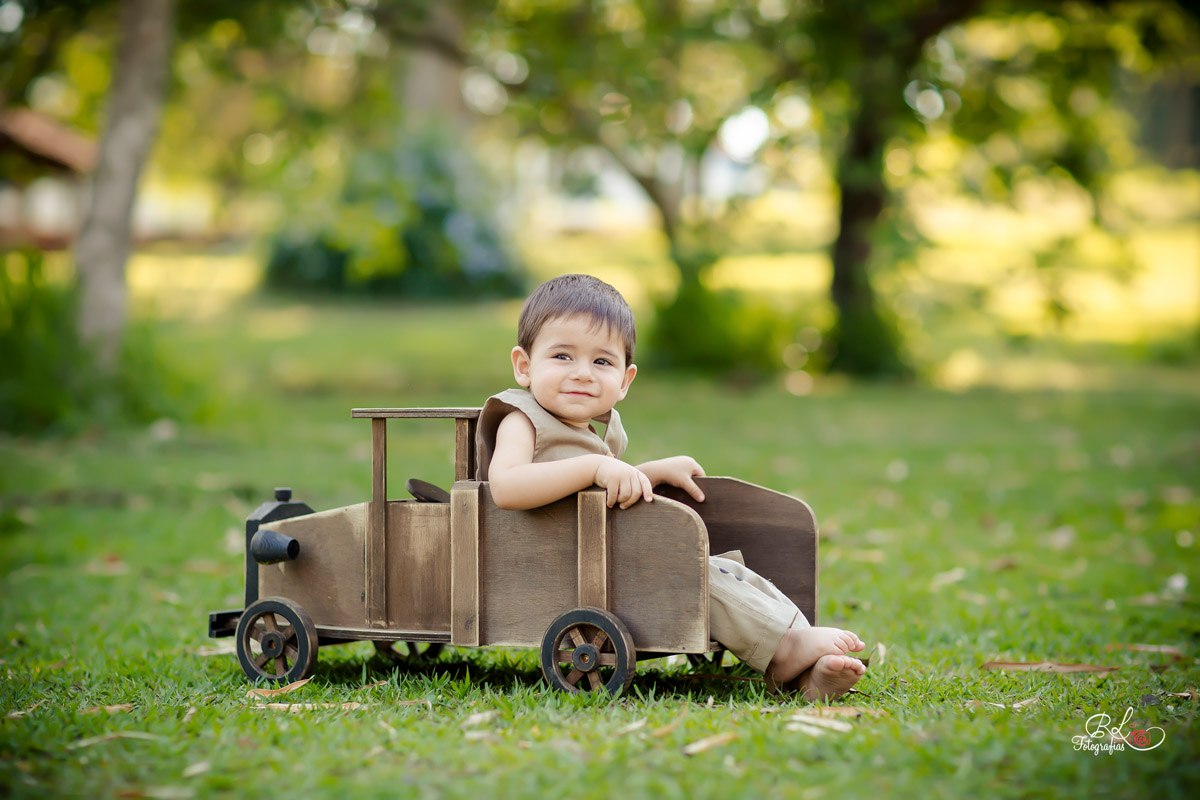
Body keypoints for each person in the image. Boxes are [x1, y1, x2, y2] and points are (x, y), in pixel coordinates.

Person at [476, 274, 866, 700]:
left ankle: (802, 657)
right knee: (690, 575)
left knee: (727, 570)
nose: (583, 373)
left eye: (602, 362)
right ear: (524, 365)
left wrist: (649, 472)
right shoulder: (522, 418)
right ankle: (787, 649)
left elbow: (596, 491)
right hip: (555, 562)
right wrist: (594, 468)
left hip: (599, 556)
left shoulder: (593, 432)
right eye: (563, 356)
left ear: (625, 381)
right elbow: (507, 487)